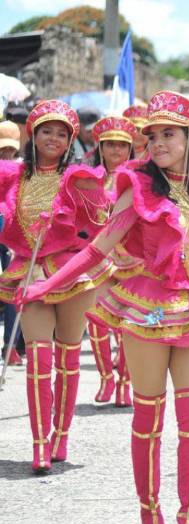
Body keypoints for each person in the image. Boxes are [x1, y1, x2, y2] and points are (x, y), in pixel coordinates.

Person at [20, 90, 189, 524]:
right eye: (153, 135)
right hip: (147, 309)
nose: (159, 142)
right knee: (148, 419)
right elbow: (99, 247)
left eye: (169, 134)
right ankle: (151, 514)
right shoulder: (138, 186)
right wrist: (47, 287)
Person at [0, 100, 110, 474]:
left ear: (69, 142)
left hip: (71, 273)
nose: (53, 138)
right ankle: (39, 443)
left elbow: (101, 224)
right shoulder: (14, 176)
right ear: (33, 133)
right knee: (39, 359)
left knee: (67, 359)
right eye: (47, 130)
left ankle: (61, 434)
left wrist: (89, 200)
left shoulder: (78, 178)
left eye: (62, 134)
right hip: (29, 272)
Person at [87, 115, 139, 406]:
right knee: (95, 319)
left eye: (122, 145)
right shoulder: (88, 178)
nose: (116, 151)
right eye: (110, 145)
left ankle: (125, 382)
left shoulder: (139, 178)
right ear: (101, 147)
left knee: (126, 324)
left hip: (131, 260)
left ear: (130, 148)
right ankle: (106, 376)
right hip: (97, 258)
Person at [0, 120, 24, 364]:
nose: (6, 154)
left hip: (11, 236)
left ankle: (10, 345)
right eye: (1, 150)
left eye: (10, 149)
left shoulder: (23, 170)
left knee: (11, 288)